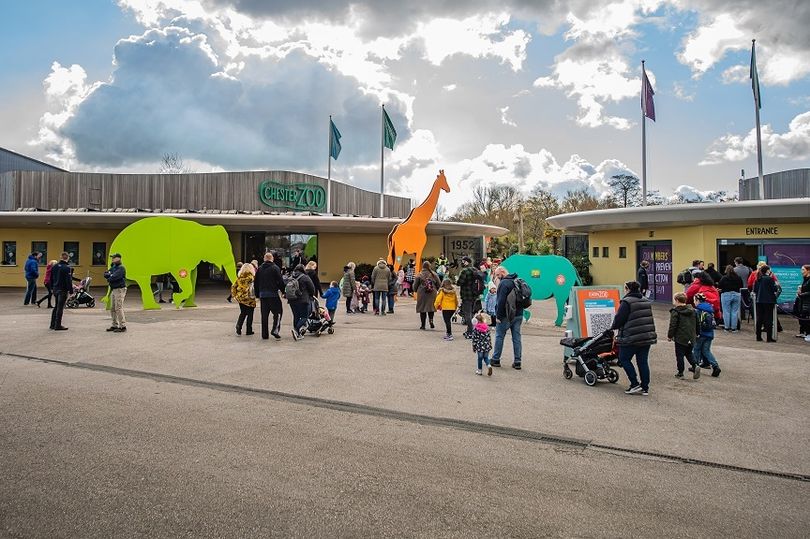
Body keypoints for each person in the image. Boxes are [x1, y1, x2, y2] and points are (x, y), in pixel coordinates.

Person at [610, 281, 657, 395]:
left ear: (628, 289)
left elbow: (619, 319)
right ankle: (645, 387)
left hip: (631, 337)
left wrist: (613, 327)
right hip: (646, 336)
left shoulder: (627, 302)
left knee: (624, 359)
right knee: (643, 362)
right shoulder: (646, 300)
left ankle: (634, 384)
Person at [490, 266, 523, 370]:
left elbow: (500, 302)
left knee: (499, 336)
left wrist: (498, 316)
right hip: (518, 314)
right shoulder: (517, 281)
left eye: (498, 275)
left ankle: (496, 359)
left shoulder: (504, 283)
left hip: (506, 315)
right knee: (516, 337)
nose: (497, 278)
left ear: (503, 272)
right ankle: (517, 361)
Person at [668, 293, 699, 379]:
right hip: (691, 336)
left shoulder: (676, 311)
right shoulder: (693, 310)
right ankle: (695, 365)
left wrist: (670, 335)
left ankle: (680, 372)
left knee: (679, 355)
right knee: (689, 352)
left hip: (680, 337)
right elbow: (697, 323)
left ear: (677, 300)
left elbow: (673, 325)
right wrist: (697, 333)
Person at [255, 252, 285, 340]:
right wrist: (283, 291)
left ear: (264, 259)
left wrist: (257, 295)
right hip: (273, 294)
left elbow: (256, 282)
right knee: (278, 312)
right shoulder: (275, 268)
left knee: (264, 315)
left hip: (263, 295)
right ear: (272, 259)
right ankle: (275, 329)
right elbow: (280, 281)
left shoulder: (259, 269)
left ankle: (264, 334)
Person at [693, 292, 721, 377]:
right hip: (709, 334)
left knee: (696, 349)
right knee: (706, 351)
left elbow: (695, 323)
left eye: (694, 300)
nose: (694, 302)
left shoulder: (698, 310)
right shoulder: (710, 309)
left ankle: (695, 365)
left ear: (697, 300)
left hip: (700, 334)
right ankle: (715, 365)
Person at [287, 264, 316, 341]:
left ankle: (298, 334)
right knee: (304, 317)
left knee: (296, 316)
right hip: (303, 300)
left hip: (292, 300)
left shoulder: (291, 277)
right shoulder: (305, 277)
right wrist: (310, 295)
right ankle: (296, 330)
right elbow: (312, 289)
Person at [753, 264, 779, 342]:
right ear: (767, 271)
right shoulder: (769, 279)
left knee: (759, 319)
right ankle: (769, 337)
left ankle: (758, 337)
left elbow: (755, 290)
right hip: (769, 301)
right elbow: (774, 289)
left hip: (759, 300)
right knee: (769, 319)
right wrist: (776, 285)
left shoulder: (758, 279)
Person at [456, 256, 479, 339]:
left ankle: (471, 331)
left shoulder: (464, 271)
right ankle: (470, 329)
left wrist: (457, 280)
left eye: (463, 261)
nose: (462, 263)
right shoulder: (475, 270)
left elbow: (459, 283)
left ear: (466, 262)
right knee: (471, 313)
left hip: (466, 294)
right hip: (474, 295)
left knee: (467, 313)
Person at [104, 253, 128, 333]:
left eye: (114, 258)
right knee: (113, 308)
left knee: (118, 307)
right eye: (112, 258)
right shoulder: (113, 267)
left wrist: (110, 276)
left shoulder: (121, 268)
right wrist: (109, 275)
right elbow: (106, 274)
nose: (112, 259)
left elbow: (114, 277)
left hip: (119, 289)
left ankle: (122, 326)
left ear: (119, 259)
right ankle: (114, 325)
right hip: (114, 289)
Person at [413, 261, 440, 330]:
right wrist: (435, 289)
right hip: (432, 293)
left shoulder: (419, 274)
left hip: (422, 293)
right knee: (431, 308)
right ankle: (431, 321)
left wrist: (416, 290)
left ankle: (423, 325)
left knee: (422, 309)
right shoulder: (434, 274)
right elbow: (439, 284)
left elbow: (415, 286)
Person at [49, 252, 72, 331]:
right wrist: (71, 290)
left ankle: (52, 324)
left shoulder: (54, 266)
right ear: (67, 258)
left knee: (56, 306)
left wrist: (52, 287)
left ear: (61, 257)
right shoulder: (67, 267)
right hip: (63, 289)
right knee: (60, 307)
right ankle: (58, 325)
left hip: (55, 288)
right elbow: (68, 280)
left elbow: (51, 278)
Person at [718, 264, 743, 332]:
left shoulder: (724, 277)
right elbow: (741, 285)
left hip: (726, 294)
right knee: (734, 312)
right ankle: (734, 328)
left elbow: (719, 285)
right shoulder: (738, 277)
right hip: (736, 294)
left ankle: (727, 327)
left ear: (726, 270)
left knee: (726, 311)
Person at [796, 265, 810, 340]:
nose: (801, 272)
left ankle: (808, 333)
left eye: (803, 270)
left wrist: (802, 294)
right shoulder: (805, 279)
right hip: (803, 301)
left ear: (808, 270)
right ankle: (804, 332)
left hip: (807, 302)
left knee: (807, 318)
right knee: (802, 316)